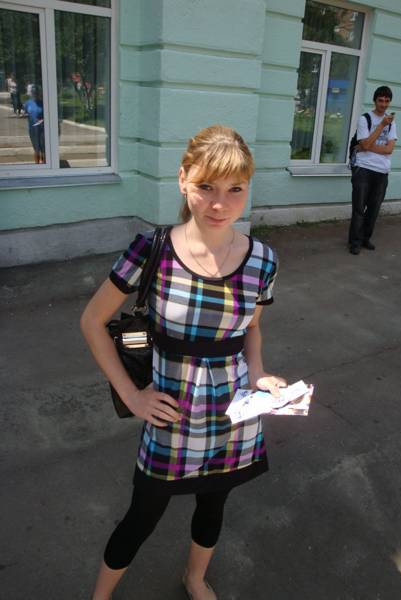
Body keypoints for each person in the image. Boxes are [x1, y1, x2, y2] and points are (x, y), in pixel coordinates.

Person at [81, 125, 287, 600]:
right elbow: (92, 321)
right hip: (171, 417)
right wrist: (133, 396)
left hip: (232, 414)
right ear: (182, 180)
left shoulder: (263, 260)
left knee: (213, 505)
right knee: (142, 516)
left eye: (235, 189)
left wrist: (259, 374)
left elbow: (251, 328)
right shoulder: (152, 249)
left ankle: (194, 578)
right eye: (206, 187)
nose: (220, 204)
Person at [348, 86, 398, 255]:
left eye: (387, 101)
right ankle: (355, 242)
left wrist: (368, 146)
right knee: (359, 208)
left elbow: (389, 149)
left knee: (374, 209)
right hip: (363, 169)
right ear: (375, 101)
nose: (383, 104)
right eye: (380, 100)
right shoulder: (365, 119)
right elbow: (364, 145)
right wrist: (381, 126)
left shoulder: (392, 123)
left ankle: (365, 238)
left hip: (382, 171)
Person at [23, 85, 45, 164]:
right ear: (31, 93)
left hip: (42, 129)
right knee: (36, 148)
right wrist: (25, 115)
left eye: (37, 92)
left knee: (43, 148)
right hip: (32, 129)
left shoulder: (43, 103)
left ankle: (45, 164)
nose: (35, 94)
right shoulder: (27, 103)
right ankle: (37, 164)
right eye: (34, 92)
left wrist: (42, 120)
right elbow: (25, 113)